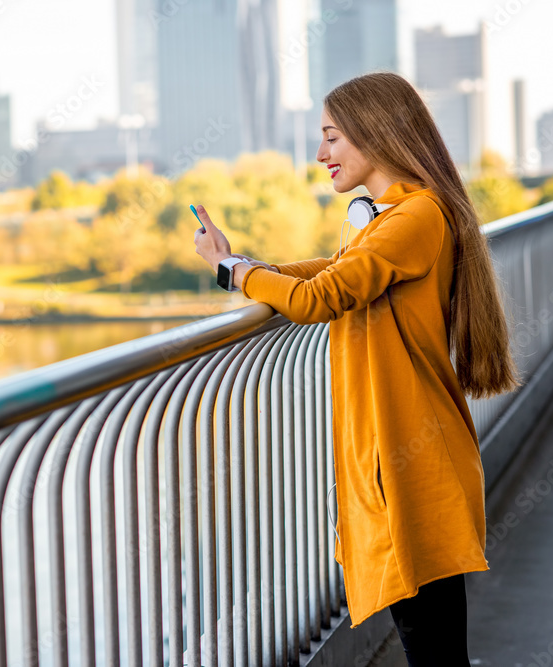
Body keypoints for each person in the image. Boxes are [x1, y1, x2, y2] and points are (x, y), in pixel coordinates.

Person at [192, 71, 523, 667]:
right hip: (401, 456)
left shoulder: (415, 218)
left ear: (378, 135)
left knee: (436, 651)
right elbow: (328, 272)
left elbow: (321, 298)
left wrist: (233, 272)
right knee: (435, 646)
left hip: (413, 460)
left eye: (332, 138)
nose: (320, 155)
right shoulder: (388, 219)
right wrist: (244, 263)